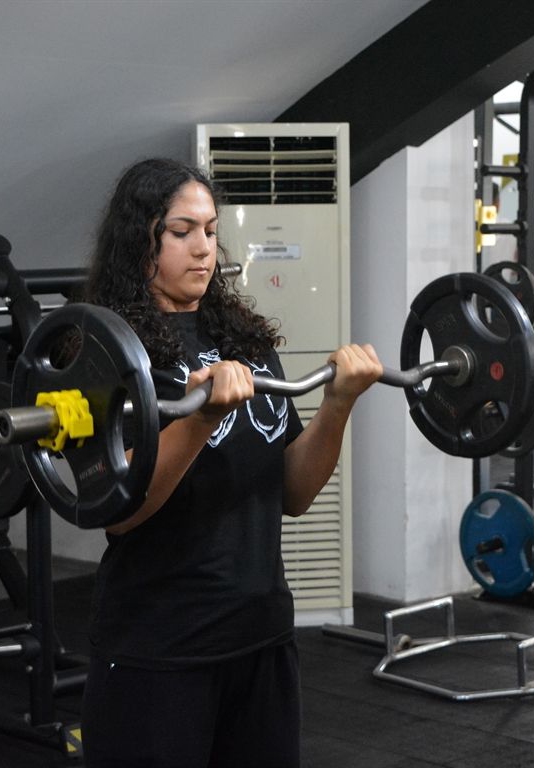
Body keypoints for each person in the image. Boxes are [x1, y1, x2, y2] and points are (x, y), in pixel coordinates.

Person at [78, 157, 382, 768]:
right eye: (182, 231)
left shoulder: (245, 340)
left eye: (211, 231)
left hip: (260, 636)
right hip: (161, 647)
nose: (203, 249)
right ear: (142, 239)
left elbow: (292, 493)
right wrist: (199, 420)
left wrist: (339, 405)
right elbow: (121, 515)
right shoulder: (104, 352)